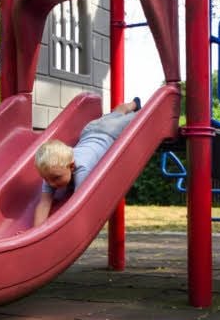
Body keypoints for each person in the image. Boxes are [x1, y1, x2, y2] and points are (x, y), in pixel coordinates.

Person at [33, 97, 142, 227]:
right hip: (89, 131)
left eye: (56, 178)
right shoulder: (51, 171)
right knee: (116, 114)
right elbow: (44, 203)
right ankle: (133, 103)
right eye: (47, 179)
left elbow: (77, 204)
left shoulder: (82, 168)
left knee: (137, 118)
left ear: (72, 166)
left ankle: (137, 106)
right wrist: (36, 229)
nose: (51, 183)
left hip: (111, 132)